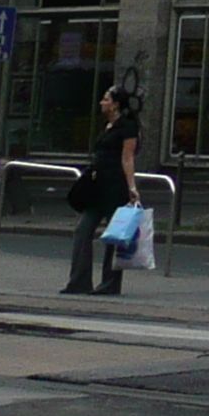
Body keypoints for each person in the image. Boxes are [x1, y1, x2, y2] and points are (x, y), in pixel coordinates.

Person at [63, 87, 139, 297]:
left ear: (115, 104)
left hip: (115, 186)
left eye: (106, 99)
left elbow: (128, 158)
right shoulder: (107, 126)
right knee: (82, 230)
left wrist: (132, 187)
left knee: (114, 236)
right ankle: (79, 281)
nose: (101, 103)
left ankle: (110, 283)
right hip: (97, 186)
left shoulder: (128, 127)